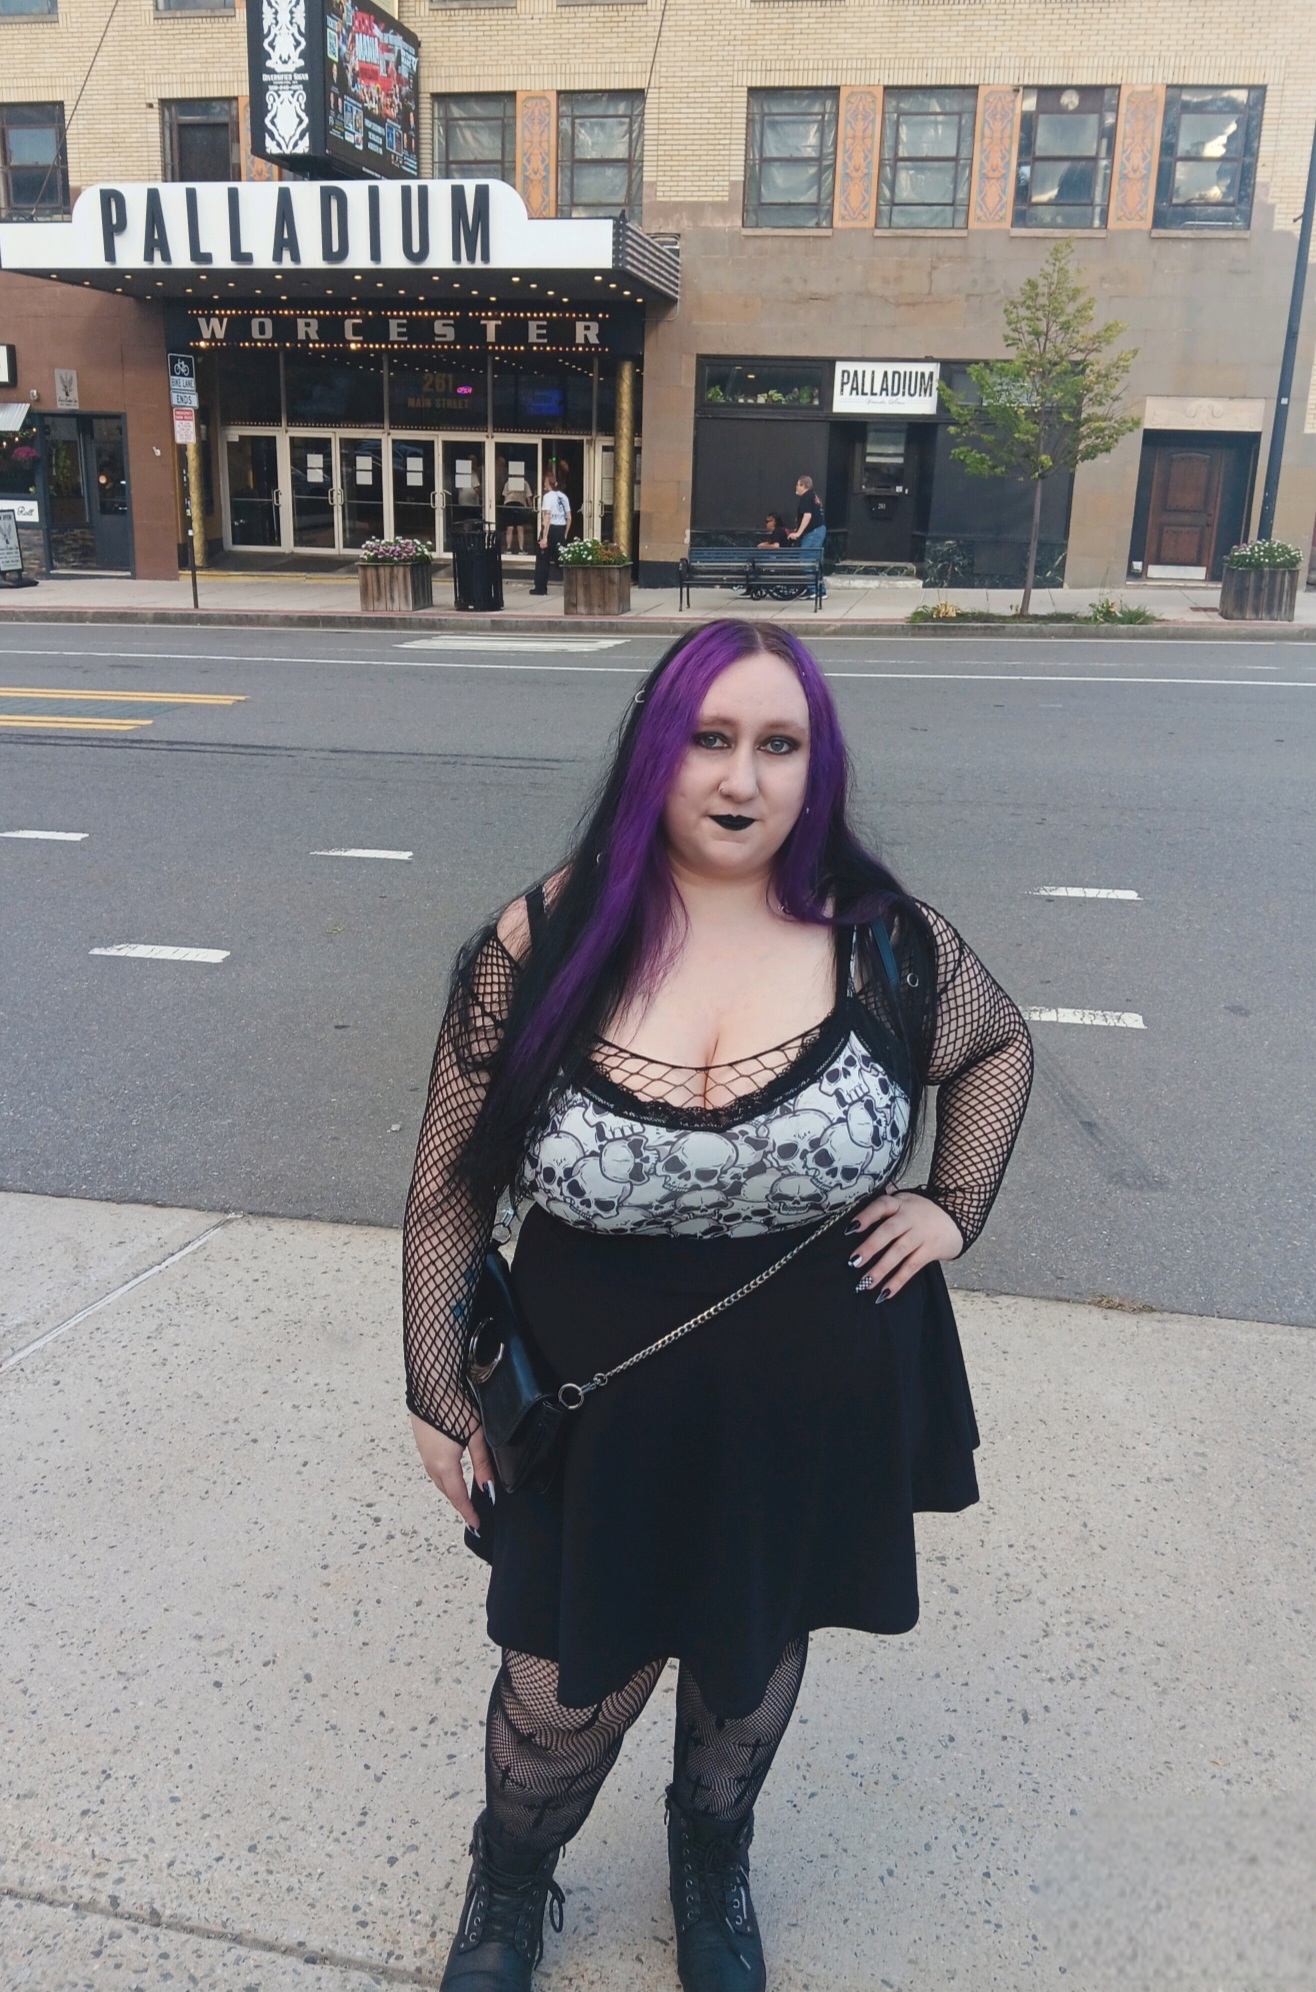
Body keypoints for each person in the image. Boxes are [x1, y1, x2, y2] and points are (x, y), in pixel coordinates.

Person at [403, 618, 1033, 1992]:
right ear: (655, 751)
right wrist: (437, 1393)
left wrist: (951, 1207)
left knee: (747, 1664)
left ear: (817, 767)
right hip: (593, 1386)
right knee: (563, 1689)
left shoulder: (885, 944)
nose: (742, 779)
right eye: (709, 738)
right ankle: (510, 1876)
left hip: (805, 1378)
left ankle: (711, 1856)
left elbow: (995, 1045)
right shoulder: (539, 942)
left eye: (778, 744)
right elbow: (450, 1184)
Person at [786, 473, 827, 596]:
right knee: (815, 561)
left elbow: (807, 515)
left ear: (803, 486)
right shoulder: (813, 496)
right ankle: (819, 589)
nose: (796, 487)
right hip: (818, 530)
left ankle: (813, 589)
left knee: (807, 560)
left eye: (798, 485)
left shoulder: (806, 497)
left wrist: (798, 533)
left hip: (813, 533)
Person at [531, 470, 571, 594]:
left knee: (543, 560)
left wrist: (544, 537)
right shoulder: (563, 497)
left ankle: (540, 588)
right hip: (560, 529)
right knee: (561, 559)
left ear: (546, 483)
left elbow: (547, 517)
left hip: (551, 529)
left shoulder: (547, 497)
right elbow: (569, 517)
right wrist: (565, 533)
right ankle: (571, 584)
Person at [500, 458, 536, 554]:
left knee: (511, 528)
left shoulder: (509, 482)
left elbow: (505, 496)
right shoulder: (523, 482)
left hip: (510, 505)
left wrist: (504, 507)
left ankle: (510, 548)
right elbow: (528, 497)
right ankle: (520, 549)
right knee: (519, 528)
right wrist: (531, 508)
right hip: (518, 505)